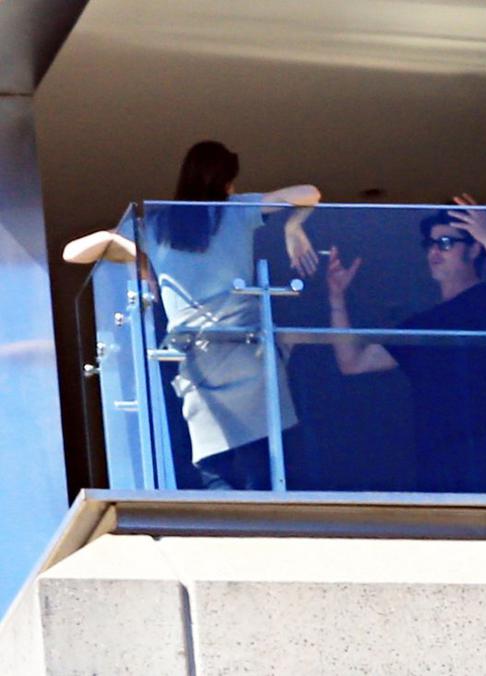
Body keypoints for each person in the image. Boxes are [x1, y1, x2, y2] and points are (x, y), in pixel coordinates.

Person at [63, 140, 321, 490]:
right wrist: (293, 227)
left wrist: (134, 252)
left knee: (214, 468)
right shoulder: (237, 208)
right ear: (227, 183)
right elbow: (309, 192)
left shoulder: (157, 224)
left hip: (198, 360)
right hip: (248, 353)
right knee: (264, 467)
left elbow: (73, 252)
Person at [327, 193, 486, 492]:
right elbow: (352, 362)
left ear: (473, 249)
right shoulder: (421, 325)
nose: (434, 252)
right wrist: (337, 298)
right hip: (436, 462)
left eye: (446, 243)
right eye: (430, 244)